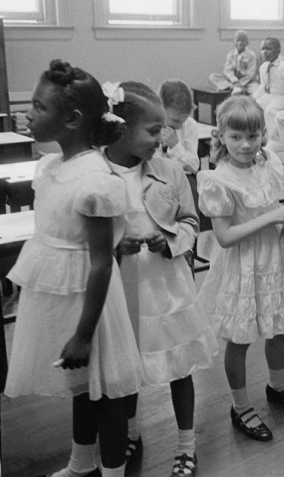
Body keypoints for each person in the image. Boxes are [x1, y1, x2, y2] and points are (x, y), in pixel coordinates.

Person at [4, 60, 142, 477]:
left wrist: (84, 334)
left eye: (38, 107)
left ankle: (114, 471)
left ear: (72, 119)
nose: (28, 114)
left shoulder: (97, 181)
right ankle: (81, 463)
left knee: (105, 394)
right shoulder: (50, 167)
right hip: (61, 296)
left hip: (92, 305)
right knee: (79, 386)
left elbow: (101, 263)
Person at [103, 81, 218, 476]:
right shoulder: (99, 173)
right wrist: (116, 246)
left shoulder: (171, 170)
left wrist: (167, 238)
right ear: (120, 128)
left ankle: (187, 443)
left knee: (178, 365)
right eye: (153, 131)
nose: (162, 139)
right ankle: (131, 431)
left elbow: (191, 220)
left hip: (166, 284)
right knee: (127, 365)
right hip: (120, 287)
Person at [196, 95, 284, 443]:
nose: (246, 145)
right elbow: (225, 237)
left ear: (264, 134)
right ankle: (240, 405)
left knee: (278, 328)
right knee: (240, 337)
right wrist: (272, 218)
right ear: (221, 136)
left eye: (253, 136)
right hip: (241, 265)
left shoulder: (267, 163)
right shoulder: (218, 179)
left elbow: (275, 207)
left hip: (271, 259)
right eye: (236, 137)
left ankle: (278, 385)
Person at [252, 37, 284, 141]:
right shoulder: (264, 67)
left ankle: (274, 140)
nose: (264, 52)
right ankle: (260, 136)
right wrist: (253, 98)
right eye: (262, 49)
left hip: (282, 97)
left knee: (270, 111)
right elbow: (263, 86)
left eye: (268, 49)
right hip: (269, 96)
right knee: (255, 107)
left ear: (278, 50)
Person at [156, 79, 200, 174]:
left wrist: (175, 145)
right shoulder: (150, 124)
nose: (179, 126)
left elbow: (194, 166)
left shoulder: (190, 125)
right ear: (160, 108)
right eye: (175, 120)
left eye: (183, 121)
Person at [208, 29, 259, 95]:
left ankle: (237, 88)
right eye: (238, 40)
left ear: (247, 42)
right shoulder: (231, 54)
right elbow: (227, 70)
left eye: (243, 41)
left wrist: (241, 83)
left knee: (256, 91)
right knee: (213, 76)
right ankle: (232, 87)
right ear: (235, 42)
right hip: (234, 82)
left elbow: (250, 74)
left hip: (248, 82)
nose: (240, 43)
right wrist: (235, 81)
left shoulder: (251, 55)